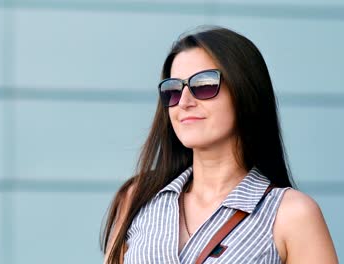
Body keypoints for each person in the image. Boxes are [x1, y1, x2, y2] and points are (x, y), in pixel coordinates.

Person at [100, 26, 338, 264]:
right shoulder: (137, 198)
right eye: (172, 90)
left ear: (244, 91)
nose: (183, 102)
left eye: (203, 85)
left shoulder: (291, 215)